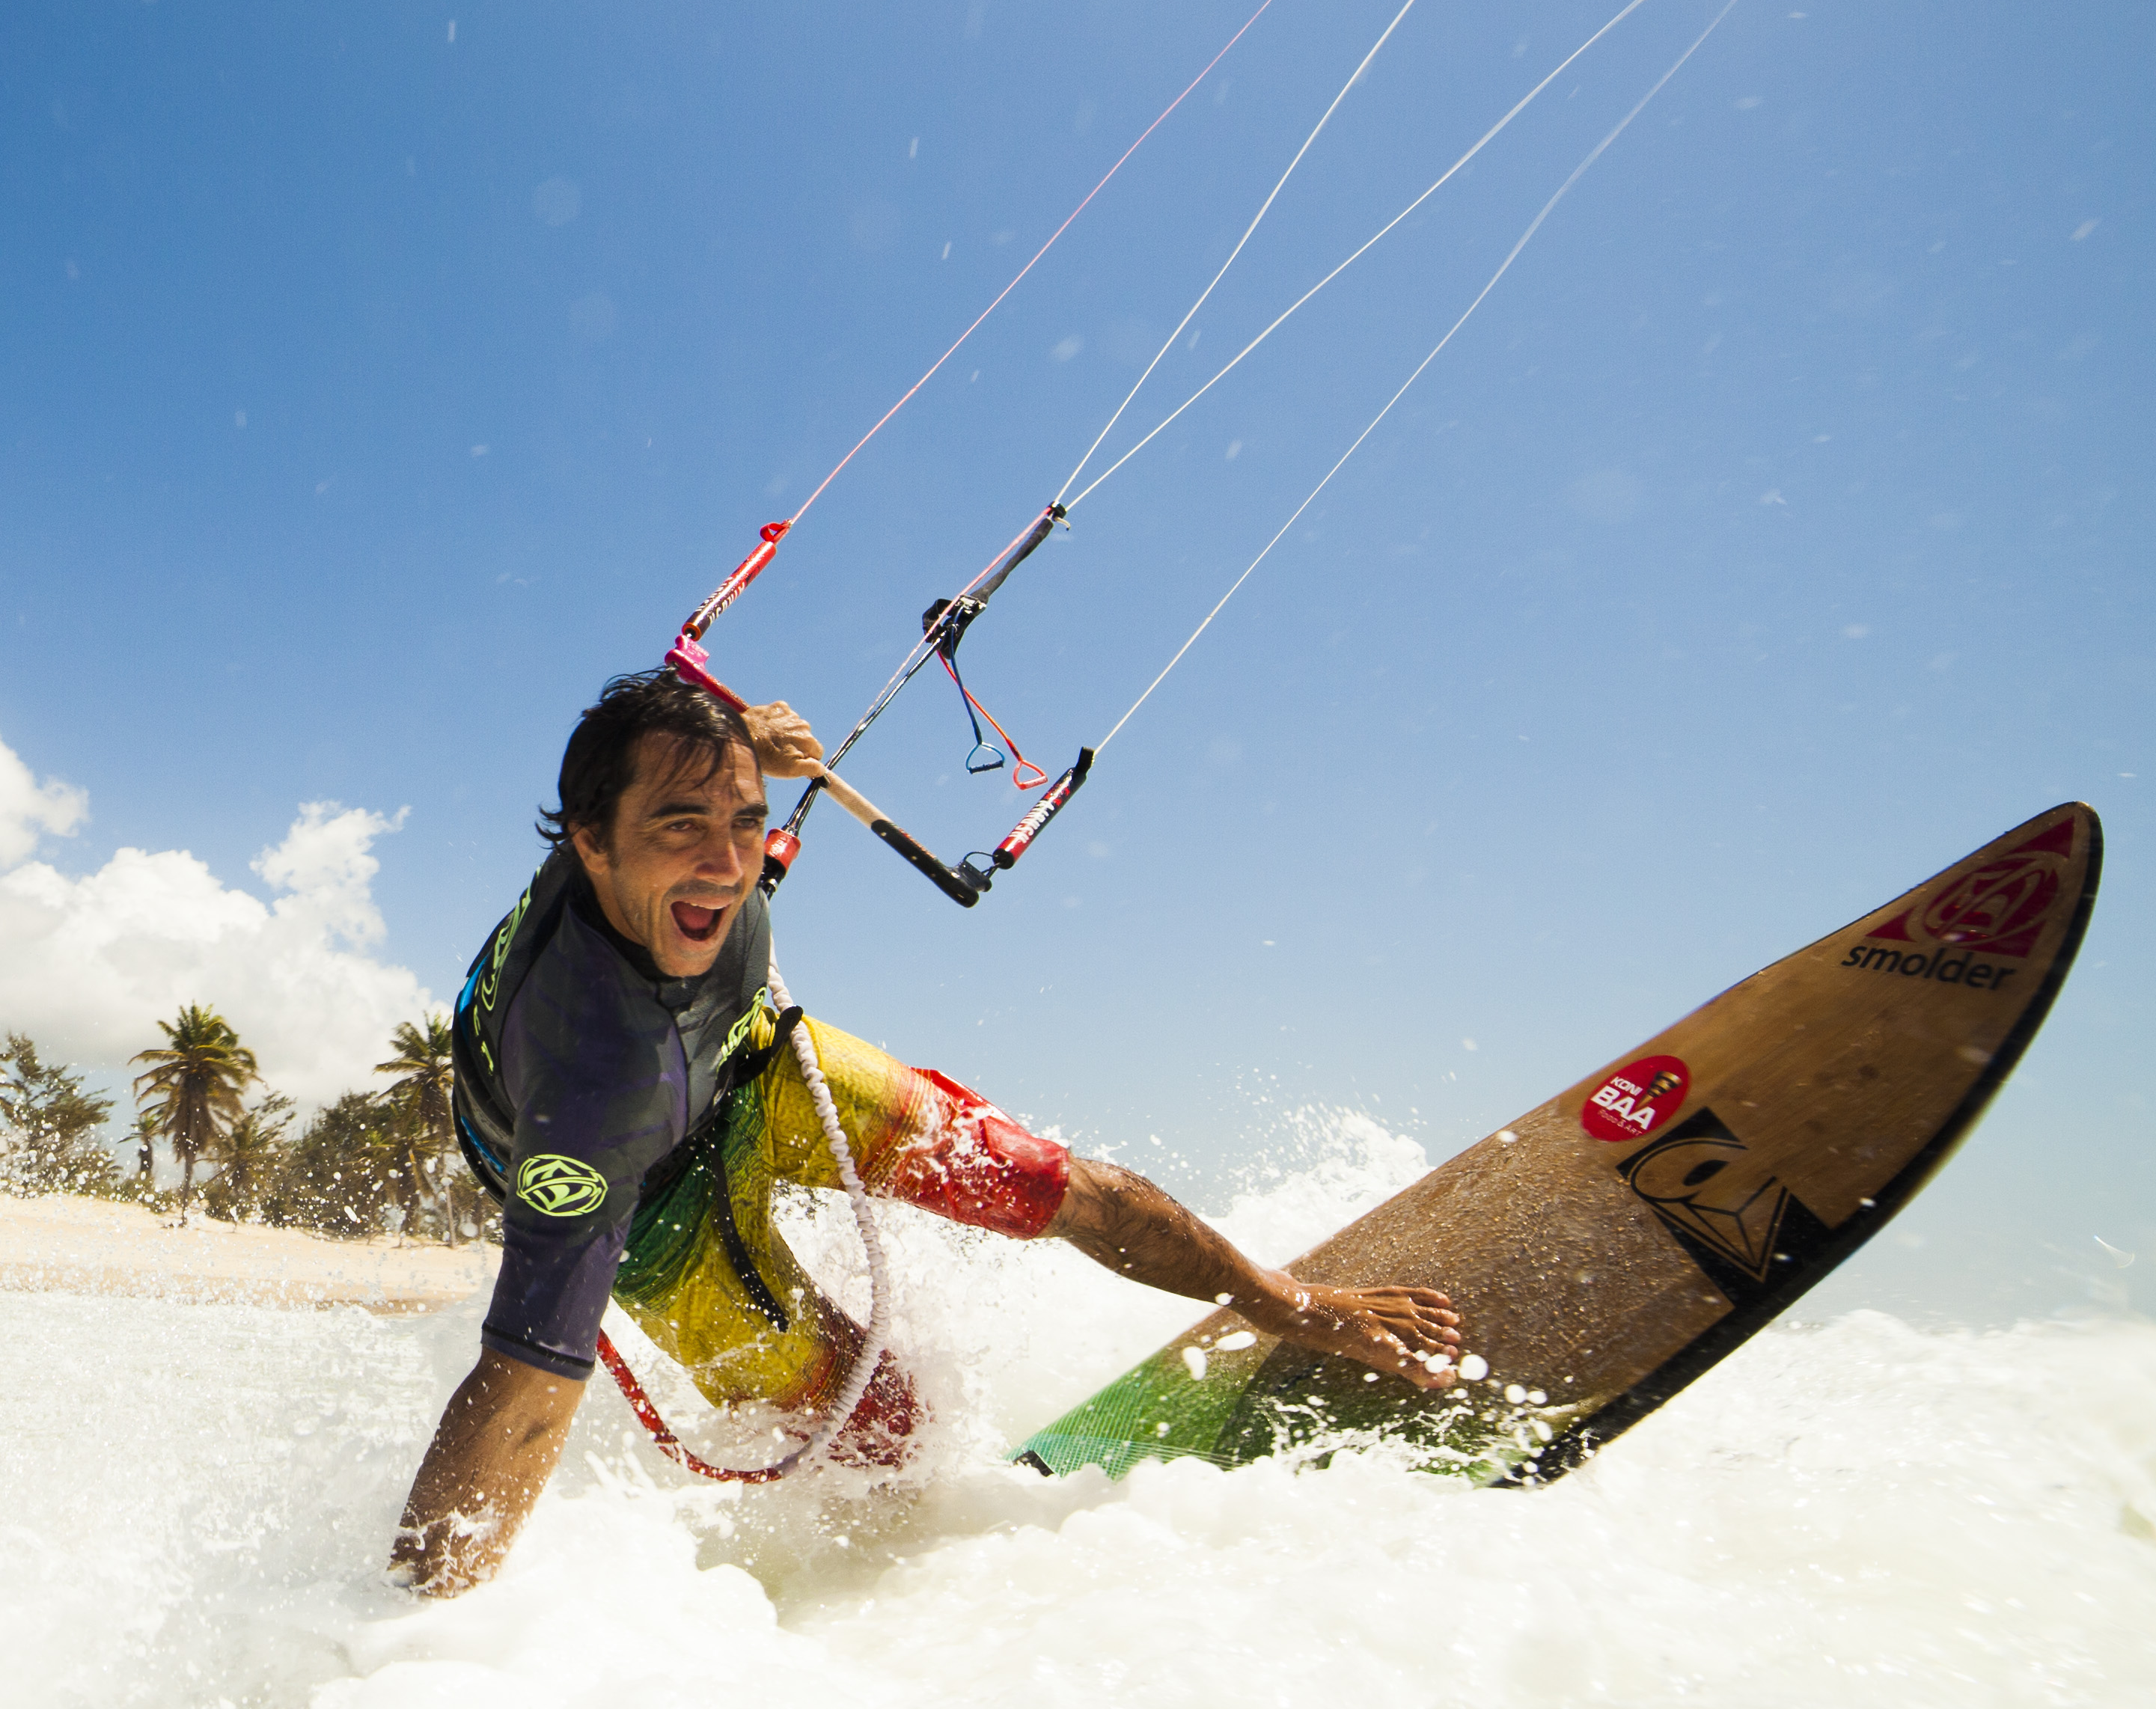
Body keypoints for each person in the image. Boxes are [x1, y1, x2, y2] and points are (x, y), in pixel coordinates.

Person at [391, 664, 1463, 1597]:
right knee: (883, 1420)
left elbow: (705, 780)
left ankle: (1290, 1306)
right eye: (681, 825)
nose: (726, 860)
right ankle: (889, 1594)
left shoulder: (676, 822)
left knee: (1054, 1188)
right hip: (655, 1206)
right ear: (592, 845)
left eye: (746, 816)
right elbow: (521, 1392)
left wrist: (750, 746)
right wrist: (413, 1643)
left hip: (752, 1059)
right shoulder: (591, 1098)